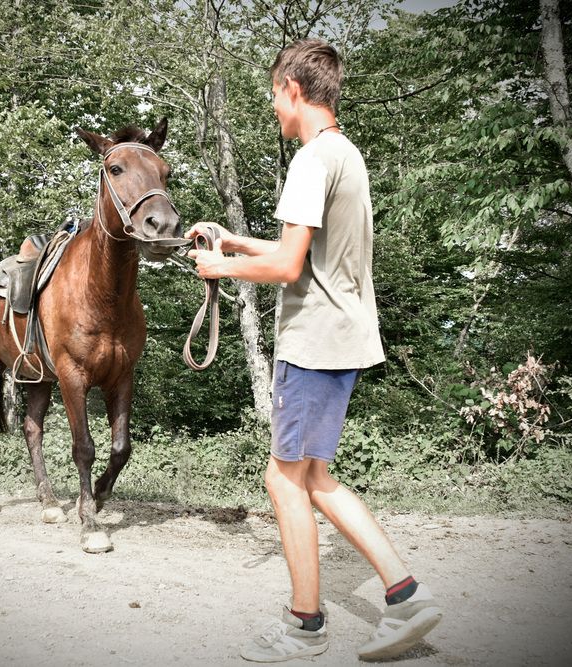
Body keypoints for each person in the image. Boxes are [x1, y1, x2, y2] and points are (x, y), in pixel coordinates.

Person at [186, 38, 443, 662]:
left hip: (312, 343)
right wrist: (235, 242)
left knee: (283, 478)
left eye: (275, 95)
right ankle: (406, 595)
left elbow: (290, 265)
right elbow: (303, 253)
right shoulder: (343, 154)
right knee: (313, 475)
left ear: (294, 91)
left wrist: (217, 266)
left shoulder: (308, 161)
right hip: (344, 337)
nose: (273, 107)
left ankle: (305, 626)